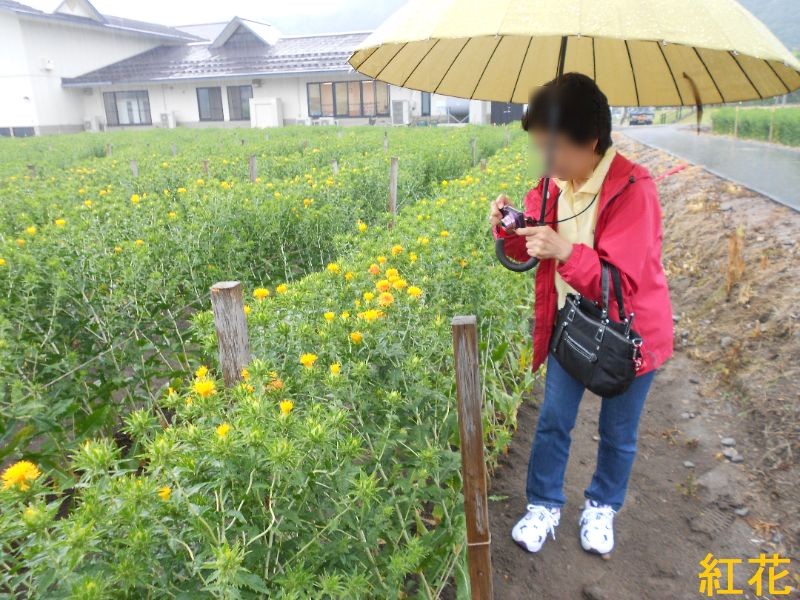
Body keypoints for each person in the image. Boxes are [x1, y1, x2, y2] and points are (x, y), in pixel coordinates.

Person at [489, 73, 673, 556]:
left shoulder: (633, 189)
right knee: (553, 419)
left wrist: (566, 252)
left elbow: (622, 285)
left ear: (590, 141)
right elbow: (530, 246)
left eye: (553, 148)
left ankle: (602, 506)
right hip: (573, 324)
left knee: (617, 432)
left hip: (629, 334)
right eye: (539, 147)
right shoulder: (553, 184)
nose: (545, 159)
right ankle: (544, 504)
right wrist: (509, 228)